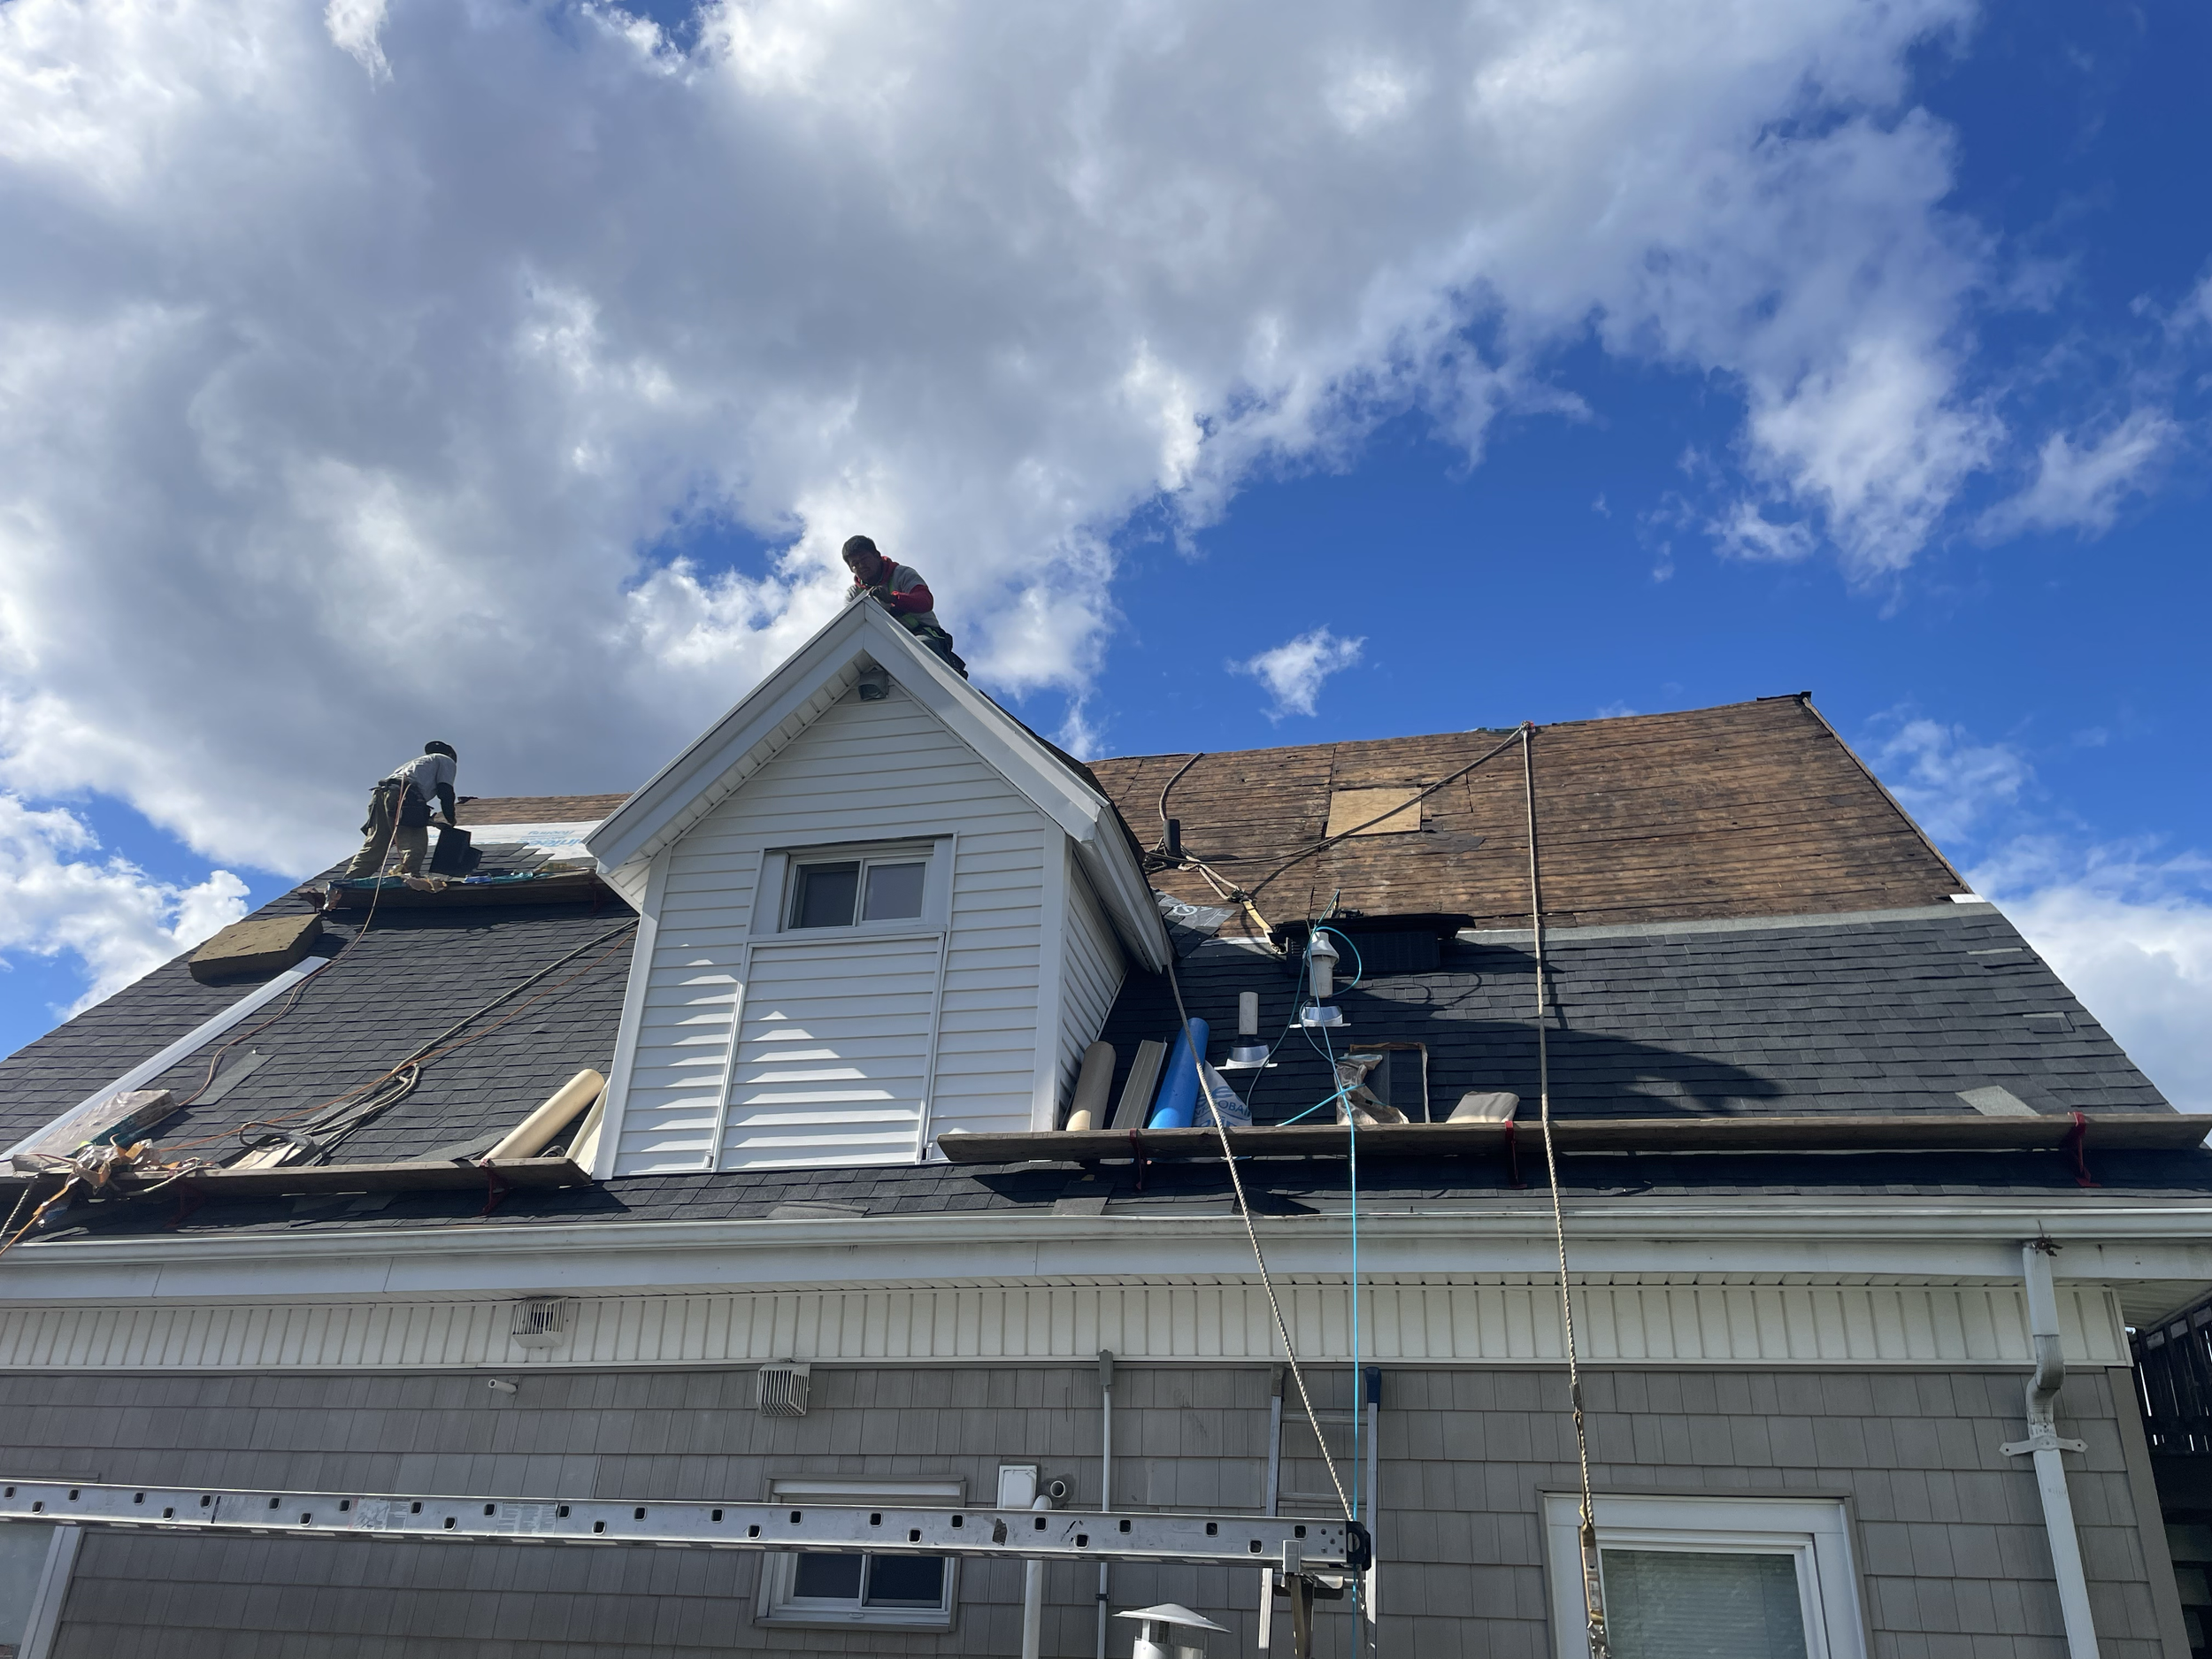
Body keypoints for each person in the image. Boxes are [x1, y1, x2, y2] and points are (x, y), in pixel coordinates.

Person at [841, 534, 967, 677]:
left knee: (923, 647)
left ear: (876, 555)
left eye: (864, 559)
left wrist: (893, 598)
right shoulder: (854, 595)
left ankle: (949, 682)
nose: (861, 566)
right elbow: (850, 627)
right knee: (863, 670)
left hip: (922, 633)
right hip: (885, 642)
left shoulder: (901, 574)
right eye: (855, 564)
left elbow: (925, 601)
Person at [344, 741, 459, 879]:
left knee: (376, 844)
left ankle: (350, 879)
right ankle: (409, 878)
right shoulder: (446, 760)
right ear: (451, 755)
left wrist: (431, 822)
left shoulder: (417, 764)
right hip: (404, 795)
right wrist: (451, 818)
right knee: (414, 841)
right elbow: (445, 791)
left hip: (381, 795)